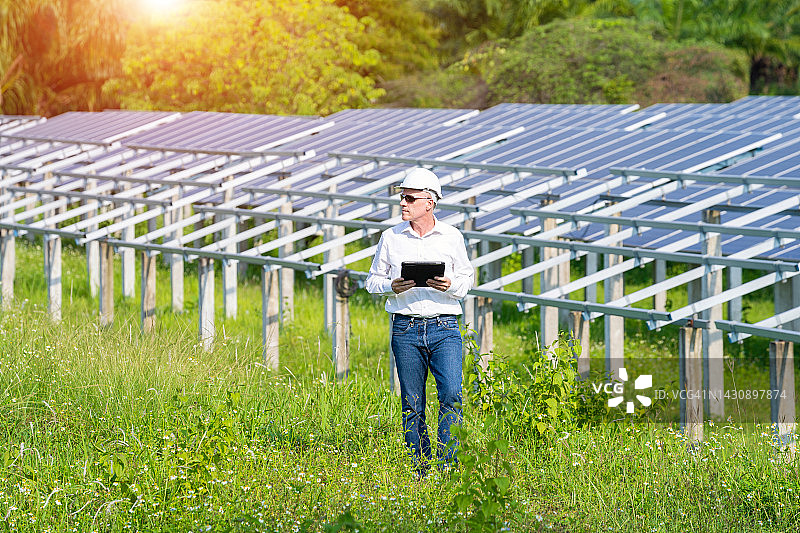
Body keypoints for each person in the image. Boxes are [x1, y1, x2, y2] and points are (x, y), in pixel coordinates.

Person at [365, 167, 474, 475]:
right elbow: (372, 281)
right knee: (412, 402)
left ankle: (446, 465)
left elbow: (466, 281)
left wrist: (449, 285)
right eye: (402, 197)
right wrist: (391, 286)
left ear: (429, 203)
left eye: (409, 198)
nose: (403, 203)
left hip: (445, 328)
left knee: (451, 394)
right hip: (406, 329)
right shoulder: (391, 237)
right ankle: (420, 468)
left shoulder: (452, 237)